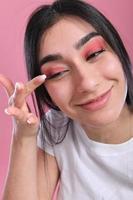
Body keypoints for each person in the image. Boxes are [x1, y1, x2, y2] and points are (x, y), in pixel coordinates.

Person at [0, 0, 133, 199]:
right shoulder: (58, 127)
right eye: (59, 72)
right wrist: (24, 136)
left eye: (95, 53)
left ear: (118, 51)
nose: (87, 83)